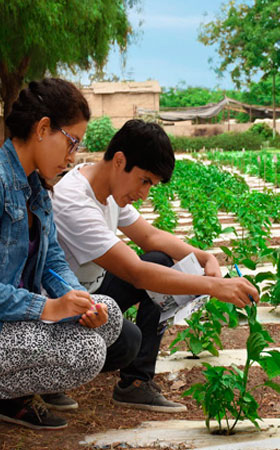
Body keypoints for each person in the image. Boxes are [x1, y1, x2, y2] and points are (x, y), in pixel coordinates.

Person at [52, 119, 259, 413]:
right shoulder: (74, 200)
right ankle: (49, 378)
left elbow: (150, 237)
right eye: (145, 180)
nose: (145, 193)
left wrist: (205, 258)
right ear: (120, 161)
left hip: (93, 291)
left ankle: (136, 385)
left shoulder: (109, 189)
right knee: (127, 342)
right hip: (63, 305)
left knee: (162, 261)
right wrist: (216, 286)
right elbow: (136, 273)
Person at [0, 78, 123, 430]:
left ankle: (14, 395)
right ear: (42, 128)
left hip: (14, 321)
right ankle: (8, 396)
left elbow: (53, 259)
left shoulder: (37, 187)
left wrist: (76, 298)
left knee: (108, 315)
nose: (72, 157)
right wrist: (49, 308)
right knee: (86, 353)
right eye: (71, 143)